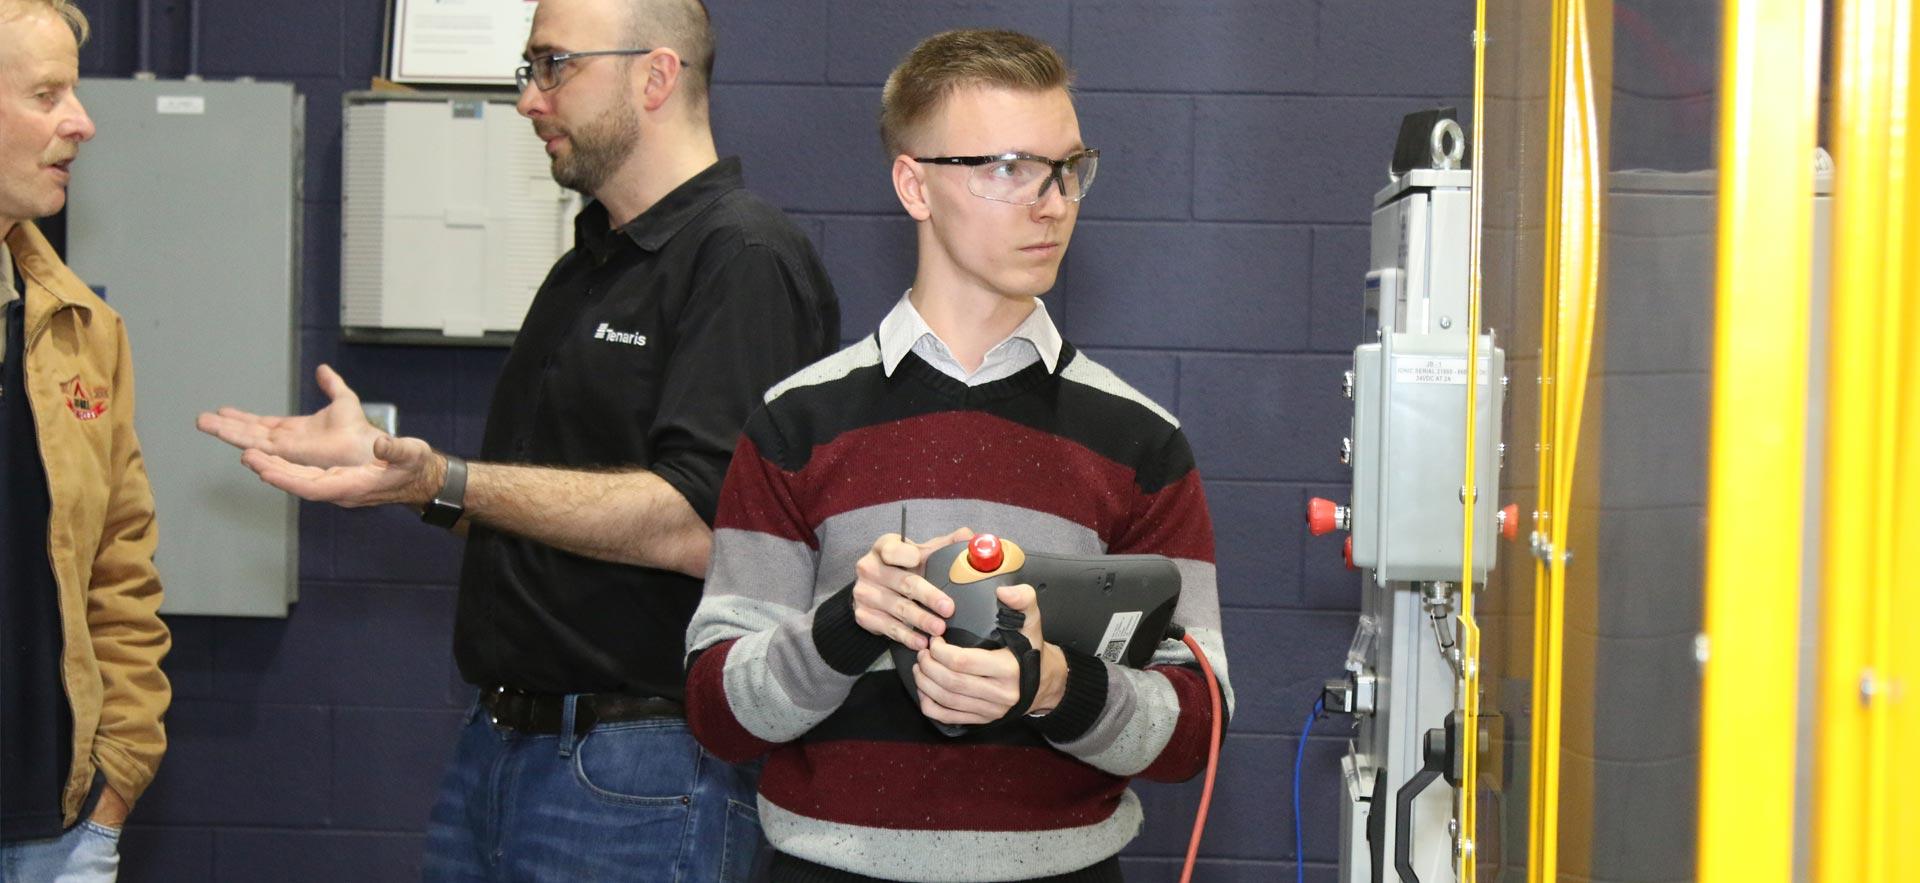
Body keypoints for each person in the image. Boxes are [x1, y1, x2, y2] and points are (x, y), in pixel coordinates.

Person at [196, 0, 838, 878]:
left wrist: (450, 480)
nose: (530, 100)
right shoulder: (586, 266)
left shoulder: (743, 258)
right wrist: (410, 479)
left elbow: (703, 525)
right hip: (503, 752)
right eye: (528, 71)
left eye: (553, 66)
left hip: (642, 769)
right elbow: (553, 509)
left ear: (656, 76)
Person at [683, 29, 1231, 882]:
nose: (1052, 202)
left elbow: (1197, 722)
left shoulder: (1141, 441)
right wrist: (843, 628)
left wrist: (1054, 685)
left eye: (1069, 168)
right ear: (915, 185)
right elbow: (717, 708)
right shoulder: (796, 422)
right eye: (1009, 168)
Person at [0, 1, 171, 879]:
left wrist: (116, 781)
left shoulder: (83, 328)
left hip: (56, 834)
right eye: (47, 94)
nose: (83, 122)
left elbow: (121, 570)